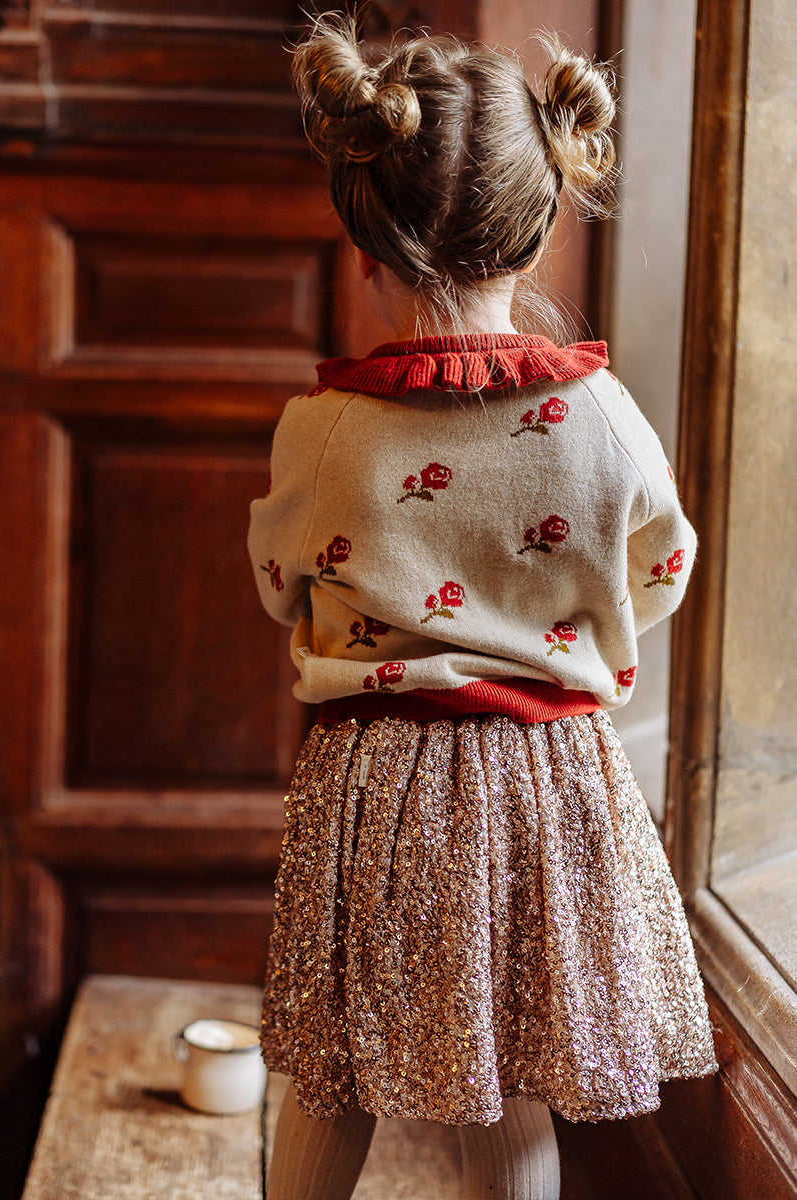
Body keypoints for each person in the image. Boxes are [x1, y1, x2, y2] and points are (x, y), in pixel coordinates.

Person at [248, 14, 717, 1200]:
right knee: (511, 1084)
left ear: (367, 249)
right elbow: (663, 569)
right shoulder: (604, 419)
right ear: (543, 225)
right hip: (550, 780)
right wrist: (561, 632)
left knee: (333, 1069)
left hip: (376, 780)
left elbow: (279, 582)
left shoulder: (325, 431)